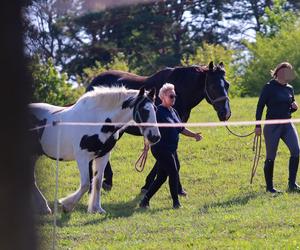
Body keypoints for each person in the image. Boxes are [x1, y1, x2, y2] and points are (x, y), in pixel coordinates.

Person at [139, 83, 202, 209]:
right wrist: (146, 143)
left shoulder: (173, 112)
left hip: (171, 148)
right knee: (173, 172)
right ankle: (176, 202)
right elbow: (148, 127)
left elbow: (181, 129)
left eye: (174, 96)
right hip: (160, 148)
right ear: (163, 97)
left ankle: (145, 201)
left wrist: (194, 135)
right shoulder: (157, 112)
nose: (173, 98)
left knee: (162, 176)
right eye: (171, 96)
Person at [255, 62, 300, 193]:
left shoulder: (290, 88)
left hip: (287, 124)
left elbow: (289, 106)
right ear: (279, 72)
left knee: (296, 151)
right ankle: (270, 188)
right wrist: (258, 125)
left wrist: (294, 108)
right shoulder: (269, 87)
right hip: (272, 126)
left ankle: (292, 185)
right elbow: (260, 107)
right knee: (271, 156)